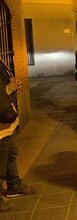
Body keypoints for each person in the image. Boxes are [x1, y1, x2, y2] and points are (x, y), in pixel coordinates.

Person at [0, 60, 36, 213]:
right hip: (1, 120)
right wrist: (7, 89)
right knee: (1, 160)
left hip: (8, 121)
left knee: (10, 155)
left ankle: (14, 184)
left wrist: (11, 84)